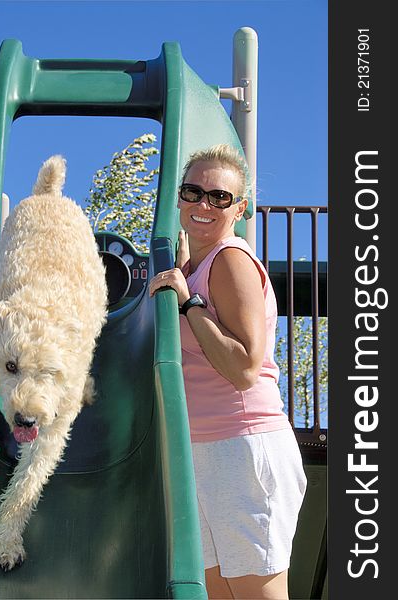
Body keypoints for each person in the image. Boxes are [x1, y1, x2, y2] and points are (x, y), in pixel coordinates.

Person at [149, 144, 307, 600]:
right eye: (193, 192)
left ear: (239, 209)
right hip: (202, 451)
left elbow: (243, 368)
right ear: (178, 199)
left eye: (219, 197)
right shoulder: (191, 267)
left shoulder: (230, 258)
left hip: (243, 448)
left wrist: (189, 303)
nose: (203, 204)